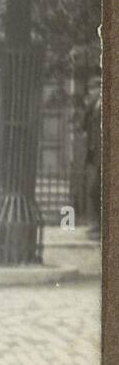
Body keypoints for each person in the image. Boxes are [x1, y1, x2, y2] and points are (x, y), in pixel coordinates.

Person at [81, 74, 102, 241]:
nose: (90, 93)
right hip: (95, 156)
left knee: (96, 189)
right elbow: (84, 126)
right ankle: (96, 227)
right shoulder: (93, 107)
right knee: (94, 189)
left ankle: (98, 227)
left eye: (92, 89)